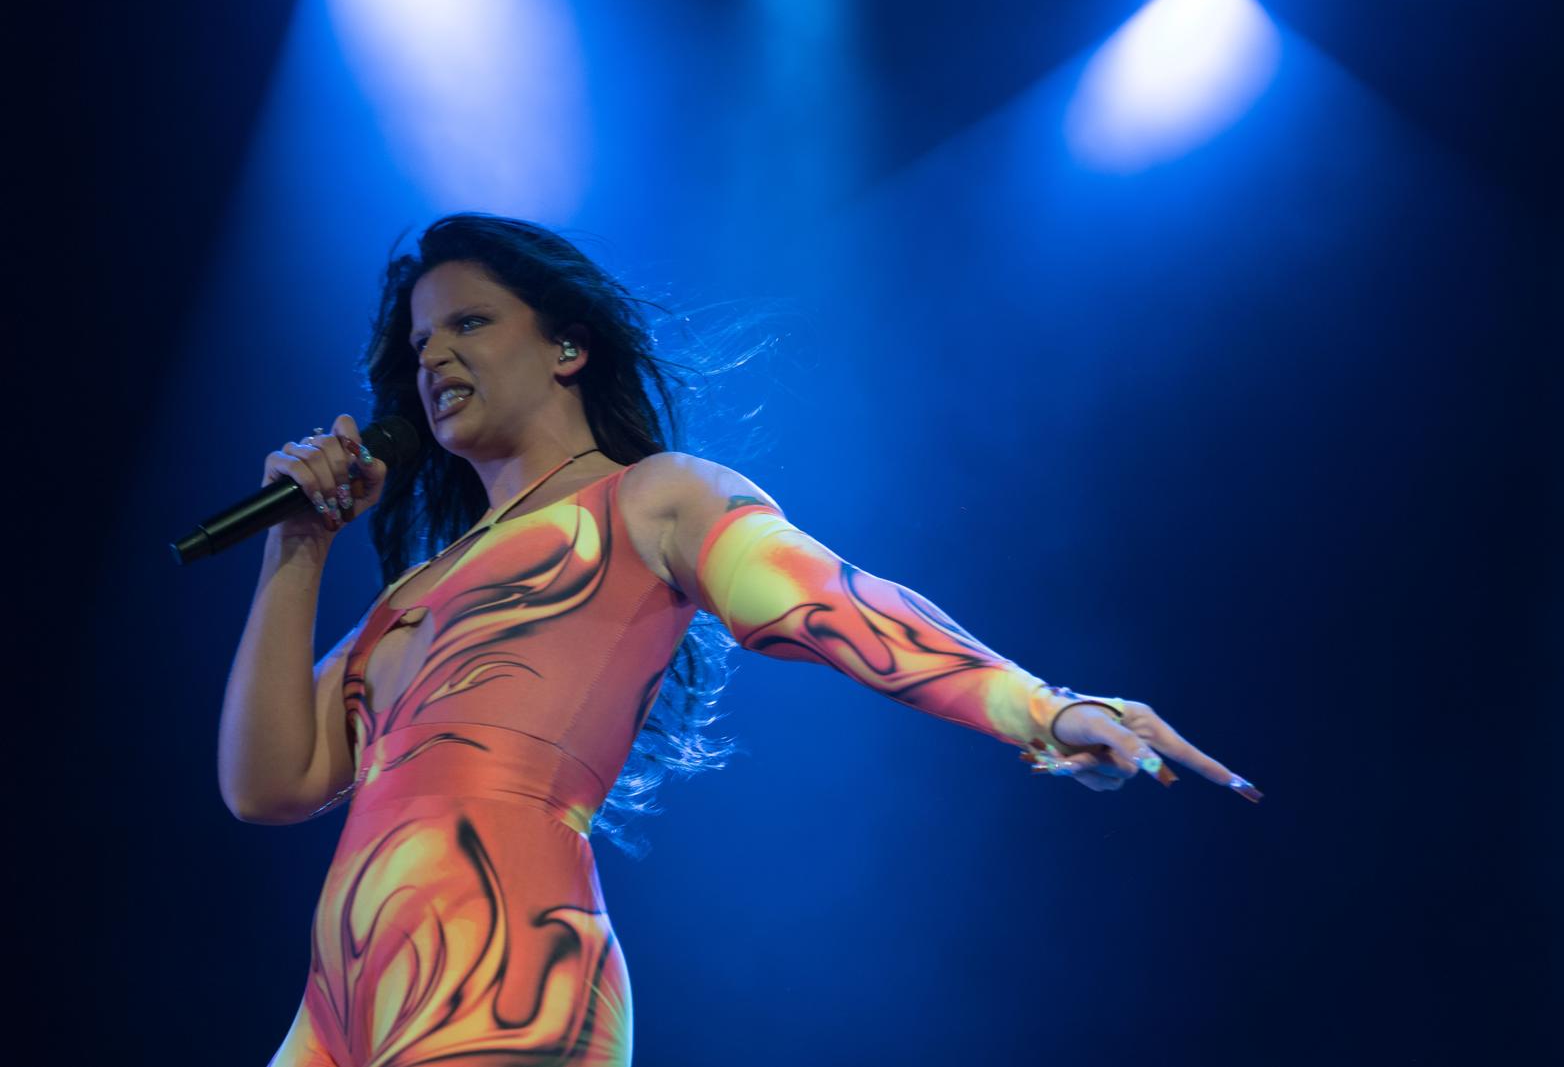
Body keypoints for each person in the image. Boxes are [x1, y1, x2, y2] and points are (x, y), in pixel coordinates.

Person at [218, 213, 1260, 1067]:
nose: (434, 355)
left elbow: (842, 601)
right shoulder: (415, 591)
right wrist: (299, 545)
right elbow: (269, 783)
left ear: (567, 344)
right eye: (418, 345)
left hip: (503, 968)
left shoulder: (653, 497)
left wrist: (1045, 707)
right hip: (339, 1005)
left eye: (470, 323)